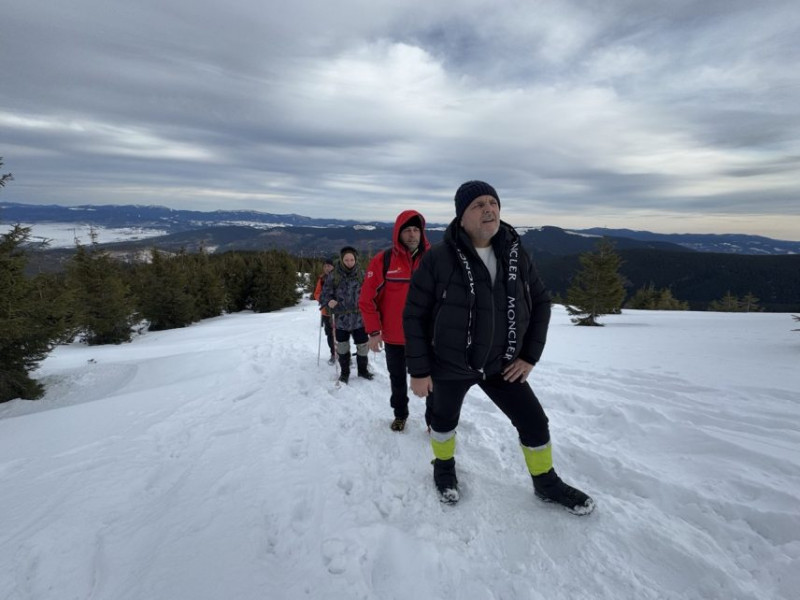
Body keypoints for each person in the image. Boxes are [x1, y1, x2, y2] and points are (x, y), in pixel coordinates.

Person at [403, 180, 595, 514]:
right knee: (443, 421)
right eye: (478, 204)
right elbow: (414, 315)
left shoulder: (515, 253)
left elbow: (541, 302)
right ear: (461, 217)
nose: (488, 208)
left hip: (501, 364)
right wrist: (419, 371)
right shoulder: (438, 259)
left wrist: (529, 356)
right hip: (450, 364)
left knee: (534, 422)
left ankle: (546, 483)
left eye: (493, 202)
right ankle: (444, 467)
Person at [359, 210, 434, 432]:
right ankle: (400, 414)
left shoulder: (433, 258)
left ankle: (434, 420)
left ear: (422, 232)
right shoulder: (384, 260)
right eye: (407, 230)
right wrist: (373, 332)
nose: (412, 235)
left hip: (427, 337)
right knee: (398, 381)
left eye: (416, 230)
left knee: (432, 382)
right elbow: (366, 299)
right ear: (398, 234)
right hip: (394, 338)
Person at [321, 246, 373, 384]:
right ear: (342, 260)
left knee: (362, 346)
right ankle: (345, 373)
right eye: (346, 260)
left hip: (359, 319)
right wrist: (328, 301)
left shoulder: (362, 274)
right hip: (341, 319)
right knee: (343, 348)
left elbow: (370, 293)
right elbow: (324, 294)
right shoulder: (334, 276)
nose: (349, 262)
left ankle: (363, 371)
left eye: (352, 259)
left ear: (355, 260)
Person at [313, 258, 336, 365]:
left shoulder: (338, 277)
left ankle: (345, 355)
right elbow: (317, 293)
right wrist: (323, 300)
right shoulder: (321, 279)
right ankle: (333, 354)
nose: (327, 268)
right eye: (325, 266)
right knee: (330, 334)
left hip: (338, 311)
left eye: (329, 266)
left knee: (341, 334)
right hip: (326, 312)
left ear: (333, 267)